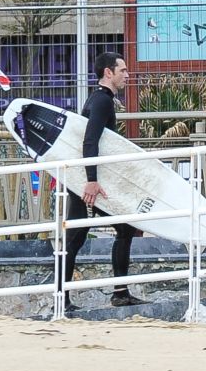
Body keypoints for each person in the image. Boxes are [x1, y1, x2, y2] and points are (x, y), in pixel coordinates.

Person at [60, 52, 147, 308]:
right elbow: (90, 140)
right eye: (123, 70)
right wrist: (91, 180)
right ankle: (63, 298)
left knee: (122, 229)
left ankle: (118, 292)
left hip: (89, 180)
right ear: (108, 73)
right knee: (76, 238)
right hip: (87, 183)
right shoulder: (101, 101)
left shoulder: (101, 99)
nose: (127, 75)